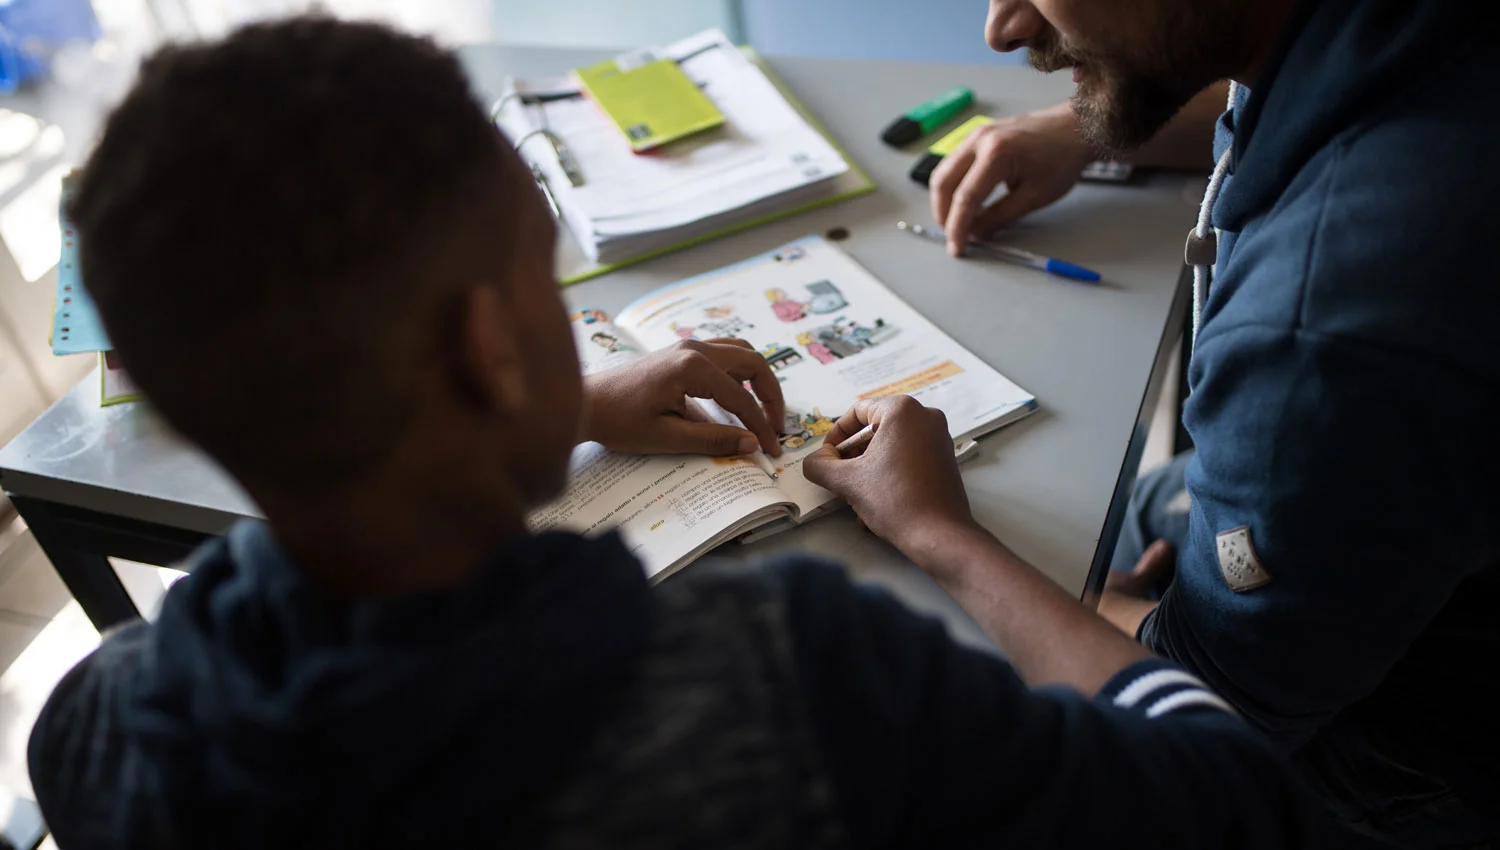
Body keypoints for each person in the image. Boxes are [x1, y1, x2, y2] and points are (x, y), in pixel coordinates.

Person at [28, 18, 1318, 850]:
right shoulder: (794, 678)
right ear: (488, 345)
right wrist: (938, 535)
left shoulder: (117, 729)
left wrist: (554, 404)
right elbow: (1229, 804)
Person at [930, 0, 1500, 845]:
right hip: (1371, 528)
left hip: (1396, 756)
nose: (1005, 27)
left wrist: (945, 535)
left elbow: (1205, 721)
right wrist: (1091, 123)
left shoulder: (1325, 329)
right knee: (1122, 510)